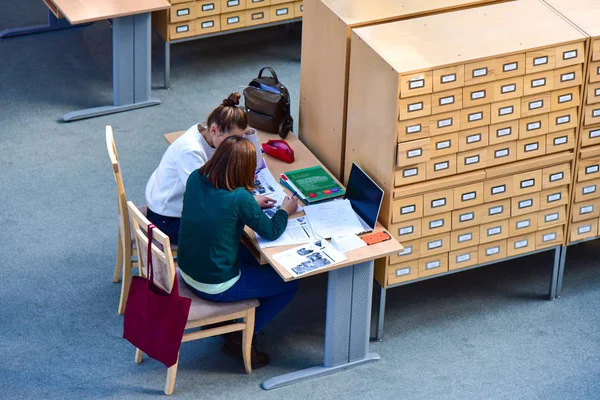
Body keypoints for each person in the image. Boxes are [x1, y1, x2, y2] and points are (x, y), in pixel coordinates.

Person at [177, 135, 299, 369]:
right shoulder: (239, 198)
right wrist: (285, 209)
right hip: (216, 285)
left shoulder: (196, 178)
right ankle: (243, 336)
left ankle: (230, 322)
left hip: (188, 270)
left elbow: (218, 205)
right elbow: (271, 231)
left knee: (249, 254)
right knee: (289, 284)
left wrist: (250, 202)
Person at [145, 92, 272, 244]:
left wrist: (249, 134)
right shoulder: (190, 152)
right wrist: (247, 203)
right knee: (231, 229)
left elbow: (256, 166)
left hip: (178, 205)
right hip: (168, 219)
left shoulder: (213, 138)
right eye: (232, 139)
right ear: (214, 130)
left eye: (239, 138)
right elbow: (205, 199)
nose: (235, 144)